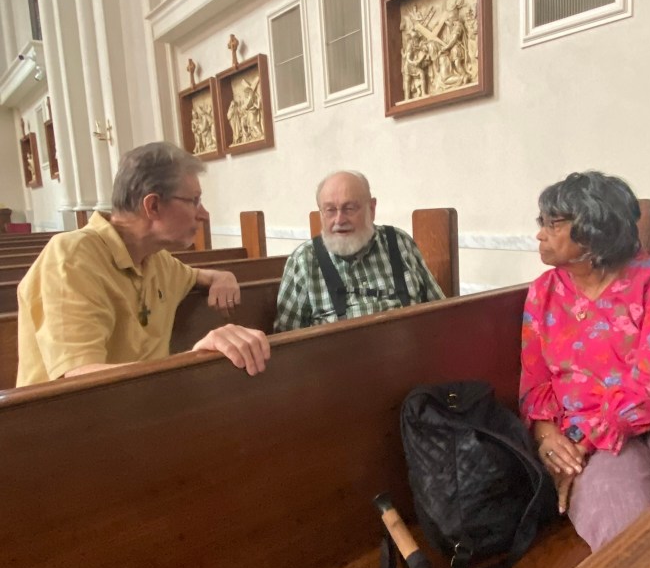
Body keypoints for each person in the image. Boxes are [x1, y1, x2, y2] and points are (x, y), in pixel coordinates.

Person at [519, 170, 650, 552]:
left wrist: (585, 440)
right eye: (542, 223)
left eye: (553, 224)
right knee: (625, 532)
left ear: (592, 230)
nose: (540, 235)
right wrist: (549, 441)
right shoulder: (542, 293)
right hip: (588, 437)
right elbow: (536, 384)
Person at [16, 142, 270, 386]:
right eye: (194, 200)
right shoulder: (71, 257)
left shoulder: (157, 260)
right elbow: (78, 379)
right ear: (153, 206)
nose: (204, 214)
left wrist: (221, 277)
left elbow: (195, 275)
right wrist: (194, 358)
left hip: (145, 405)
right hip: (65, 414)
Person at [273, 170, 444, 331]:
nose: (339, 220)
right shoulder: (303, 261)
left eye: (349, 208)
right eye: (330, 210)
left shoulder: (400, 243)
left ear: (372, 208)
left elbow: (441, 312)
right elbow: (287, 341)